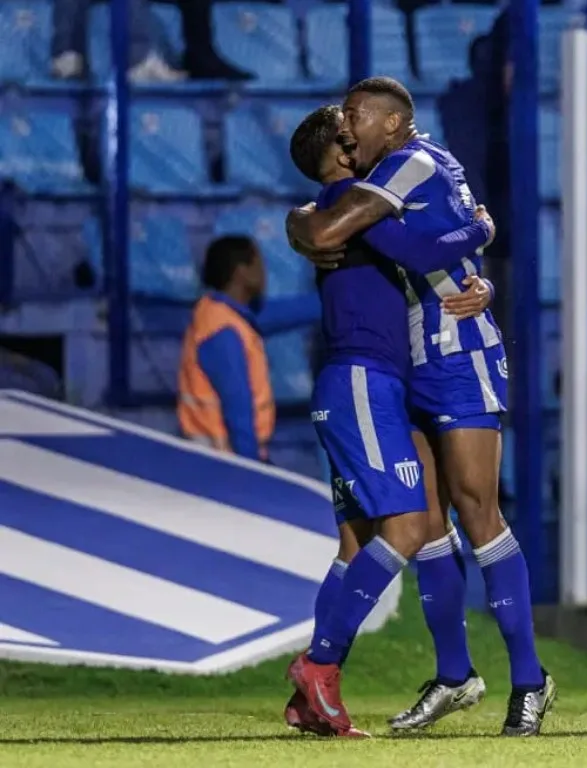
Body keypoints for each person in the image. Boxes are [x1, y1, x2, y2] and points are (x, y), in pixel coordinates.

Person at [285, 76, 554, 737]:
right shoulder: (388, 173)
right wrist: (478, 233)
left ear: (392, 123)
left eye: (355, 115)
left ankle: (530, 680)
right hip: (407, 362)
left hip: (458, 352)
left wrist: (480, 235)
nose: (347, 128)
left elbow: (389, 243)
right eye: (343, 121)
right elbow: (394, 240)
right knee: (428, 523)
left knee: (477, 510)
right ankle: (455, 675)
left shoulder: (412, 161)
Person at [177, 236, 320, 462]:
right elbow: (238, 414)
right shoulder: (223, 334)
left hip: (216, 455)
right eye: (258, 264)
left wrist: (342, 298)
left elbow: (289, 312)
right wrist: (253, 468)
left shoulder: (223, 312)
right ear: (241, 272)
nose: (264, 273)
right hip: (222, 459)